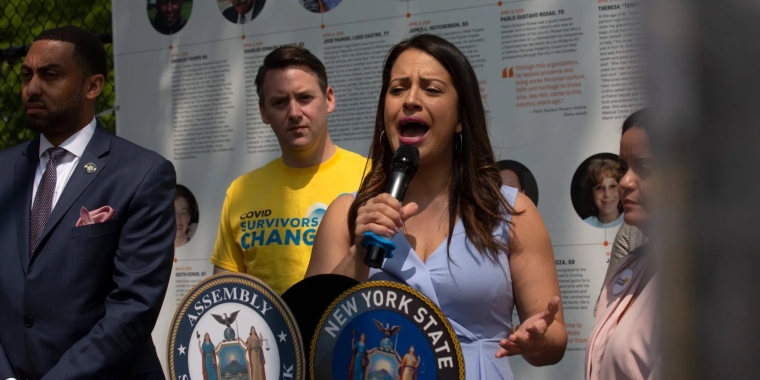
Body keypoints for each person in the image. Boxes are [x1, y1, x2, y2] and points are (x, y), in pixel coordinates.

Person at [305, 34, 566, 379]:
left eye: (431, 89)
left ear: (461, 118)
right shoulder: (347, 214)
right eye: (398, 89)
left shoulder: (510, 213)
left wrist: (538, 340)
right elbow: (309, 328)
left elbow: (554, 337)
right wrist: (358, 253)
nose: (411, 100)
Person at [0, 26, 175, 379]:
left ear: (93, 86)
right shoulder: (3, 170)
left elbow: (133, 307)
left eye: (51, 75)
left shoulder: (141, 174)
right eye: (26, 75)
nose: (32, 88)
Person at [210, 45, 367, 295]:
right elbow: (224, 293)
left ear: (329, 99)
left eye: (304, 98)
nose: (294, 113)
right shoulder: (241, 191)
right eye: (280, 102)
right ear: (263, 111)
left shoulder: (371, 177)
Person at [586, 109, 660, 380]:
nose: (624, 182)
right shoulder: (631, 263)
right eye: (623, 168)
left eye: (646, 168)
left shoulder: (710, 285)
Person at [582, 157, 624, 228]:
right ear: (591, 193)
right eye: (599, 188)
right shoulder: (584, 225)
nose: (607, 194)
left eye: (612, 186)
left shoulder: (633, 222)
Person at [175, 184, 198, 248]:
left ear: (189, 217)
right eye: (174, 213)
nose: (178, 219)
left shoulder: (198, 247)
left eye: (183, 213)